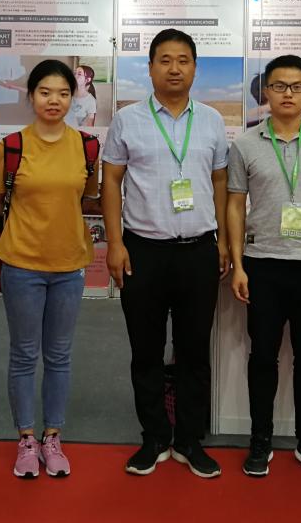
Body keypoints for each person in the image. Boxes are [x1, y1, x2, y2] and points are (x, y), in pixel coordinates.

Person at [103, 28, 230, 479]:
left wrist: (224, 242)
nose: (174, 69)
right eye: (165, 60)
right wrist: (114, 243)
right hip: (144, 251)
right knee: (146, 350)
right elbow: (111, 180)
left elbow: (219, 181)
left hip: (198, 251)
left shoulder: (211, 120)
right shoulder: (128, 120)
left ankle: (190, 440)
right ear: (150, 67)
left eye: (183, 60)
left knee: (195, 351)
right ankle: (155, 436)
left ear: (195, 67)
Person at [227, 54, 301, 480]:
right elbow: (234, 205)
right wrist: (238, 264)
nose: (288, 94)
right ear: (266, 91)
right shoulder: (245, 144)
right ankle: (260, 439)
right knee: (262, 356)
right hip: (262, 265)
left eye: (297, 87)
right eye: (279, 86)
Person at [0, 60, 100, 479]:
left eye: (63, 93)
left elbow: (87, 196)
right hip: (22, 264)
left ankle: (52, 437)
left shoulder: (87, 147)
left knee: (59, 356)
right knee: (23, 354)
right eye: (45, 92)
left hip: (69, 265)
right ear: (31, 95)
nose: (54, 100)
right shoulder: (12, 147)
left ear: (73, 98)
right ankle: (25, 439)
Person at [65, 63, 98, 128]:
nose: (75, 76)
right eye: (74, 73)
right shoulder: (66, 95)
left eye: (79, 74)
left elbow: (90, 127)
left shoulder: (91, 101)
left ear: (87, 80)